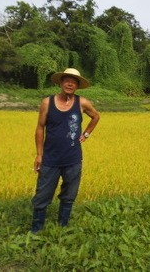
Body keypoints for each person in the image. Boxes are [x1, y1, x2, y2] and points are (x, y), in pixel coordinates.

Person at [31, 68, 100, 233]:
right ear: (61, 83)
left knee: (69, 196)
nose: (70, 83)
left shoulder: (82, 102)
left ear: (77, 85)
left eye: (74, 81)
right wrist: (39, 155)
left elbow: (96, 116)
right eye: (67, 80)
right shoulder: (47, 102)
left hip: (73, 159)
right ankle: (36, 230)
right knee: (42, 195)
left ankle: (62, 228)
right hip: (50, 158)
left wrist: (86, 134)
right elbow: (40, 128)